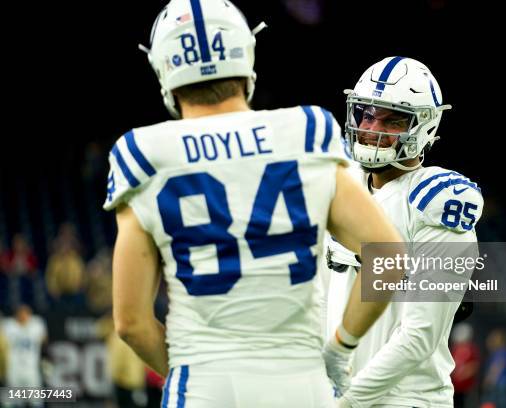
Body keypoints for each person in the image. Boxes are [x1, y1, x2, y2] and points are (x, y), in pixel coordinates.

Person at [104, 1, 404, 407]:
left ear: (163, 68)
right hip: (301, 384)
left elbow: (132, 324)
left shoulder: (144, 153)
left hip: (203, 386)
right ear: (245, 53)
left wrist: (191, 369)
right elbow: (389, 256)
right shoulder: (305, 131)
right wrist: (339, 348)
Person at [323, 56, 484, 407]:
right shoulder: (344, 184)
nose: (373, 127)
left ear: (424, 126)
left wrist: (347, 402)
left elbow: (419, 337)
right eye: (367, 114)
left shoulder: (437, 201)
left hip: (404, 399)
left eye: (393, 120)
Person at [1, 305, 47, 408]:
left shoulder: (37, 324)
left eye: (26, 313)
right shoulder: (8, 325)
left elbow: (45, 340)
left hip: (31, 371)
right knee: (10, 402)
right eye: (21, 313)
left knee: (36, 402)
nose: (23, 315)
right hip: (13, 370)